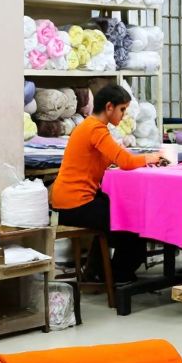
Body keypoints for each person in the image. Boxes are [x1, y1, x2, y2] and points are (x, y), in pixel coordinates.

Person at [50, 84, 162, 283]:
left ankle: (99, 270)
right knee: (130, 222)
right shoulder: (95, 129)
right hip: (76, 204)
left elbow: (107, 160)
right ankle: (118, 275)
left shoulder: (87, 126)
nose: (124, 115)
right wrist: (152, 157)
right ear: (109, 107)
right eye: (122, 109)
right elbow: (126, 162)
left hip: (68, 200)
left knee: (122, 211)